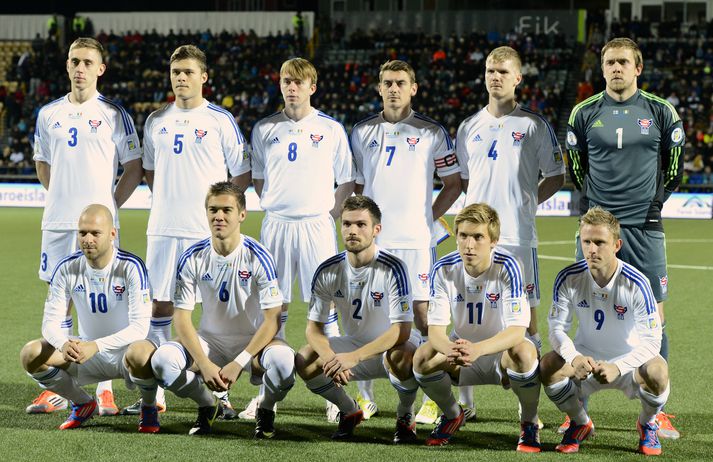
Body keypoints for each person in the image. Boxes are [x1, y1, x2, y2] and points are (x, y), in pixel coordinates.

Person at [565, 37, 683, 439]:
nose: (616, 68)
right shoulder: (584, 113)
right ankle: (577, 407)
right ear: (602, 69)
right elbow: (577, 169)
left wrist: (653, 204)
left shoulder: (660, 111)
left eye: (623, 62)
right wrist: (597, 211)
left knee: (657, 319)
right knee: (584, 311)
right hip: (598, 229)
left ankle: (656, 410)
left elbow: (673, 167)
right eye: (609, 62)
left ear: (638, 68)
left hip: (644, 227)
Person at [30, 37, 144, 417]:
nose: (80, 68)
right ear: (67, 65)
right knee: (58, 301)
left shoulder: (114, 113)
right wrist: (61, 197)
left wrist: (108, 209)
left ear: (100, 69)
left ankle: (106, 387)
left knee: (103, 300)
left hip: (99, 227)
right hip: (59, 224)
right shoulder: (48, 113)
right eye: (74, 61)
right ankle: (62, 386)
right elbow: (42, 163)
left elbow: (133, 167)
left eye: (87, 62)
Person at [135, 44, 251, 417]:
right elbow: (150, 171)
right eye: (175, 72)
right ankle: (155, 394)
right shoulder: (156, 120)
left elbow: (242, 172)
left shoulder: (220, 119)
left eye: (188, 72)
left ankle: (221, 393)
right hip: (164, 228)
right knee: (161, 306)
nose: (181, 78)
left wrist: (225, 213)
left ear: (204, 77)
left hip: (207, 233)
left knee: (214, 312)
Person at [456, 47, 564, 419]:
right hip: (474, 240)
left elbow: (555, 175)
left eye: (502, 71)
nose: (495, 77)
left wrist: (526, 204)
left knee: (527, 324)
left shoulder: (534, 125)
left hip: (517, 238)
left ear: (518, 78)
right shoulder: (468, 126)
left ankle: (527, 410)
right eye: (489, 70)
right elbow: (468, 181)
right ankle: (464, 405)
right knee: (467, 317)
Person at [350, 59, 461, 423]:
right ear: (379, 88)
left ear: (413, 88)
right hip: (374, 243)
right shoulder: (361, 131)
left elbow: (454, 182)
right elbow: (356, 187)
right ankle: (364, 397)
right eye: (387, 82)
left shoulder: (432, 132)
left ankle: (433, 391)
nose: (393, 88)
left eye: (400, 82)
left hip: (415, 242)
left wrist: (427, 218)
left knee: (424, 317)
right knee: (368, 315)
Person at [248, 57, 354, 422]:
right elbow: (259, 179)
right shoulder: (264, 128)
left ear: (312, 86)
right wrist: (278, 204)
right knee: (273, 310)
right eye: (286, 81)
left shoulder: (331, 129)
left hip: (316, 226)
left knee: (326, 310)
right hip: (276, 224)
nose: (291, 87)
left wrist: (328, 215)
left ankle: (334, 395)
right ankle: (266, 396)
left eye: (298, 82)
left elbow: (346, 182)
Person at [144, 182, 295, 437]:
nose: (219, 216)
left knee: (284, 362)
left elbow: (272, 320)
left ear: (242, 215)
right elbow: (181, 318)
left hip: (250, 343)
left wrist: (239, 362)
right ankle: (207, 404)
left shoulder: (259, 256)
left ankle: (265, 408)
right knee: (162, 361)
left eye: (227, 210)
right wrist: (203, 363)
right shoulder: (192, 256)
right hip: (209, 341)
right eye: (213, 210)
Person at [541, 206, 670, 455]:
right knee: (548, 366)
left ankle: (648, 424)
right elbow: (556, 329)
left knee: (658, 371)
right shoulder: (568, 278)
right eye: (586, 241)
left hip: (629, 363)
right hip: (585, 361)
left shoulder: (637, 282)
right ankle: (580, 422)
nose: (591, 249)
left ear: (616, 245)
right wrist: (574, 357)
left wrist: (618, 367)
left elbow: (654, 341)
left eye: (599, 242)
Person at [412, 203, 541, 451]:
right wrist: (450, 350)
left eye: (478, 237)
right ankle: (452, 414)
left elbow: (516, 330)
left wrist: (478, 349)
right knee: (422, 358)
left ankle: (529, 423)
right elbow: (436, 331)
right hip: (462, 352)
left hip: (500, 354)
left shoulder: (509, 266)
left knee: (525, 352)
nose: (469, 245)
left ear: (493, 240)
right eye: (463, 236)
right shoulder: (443, 269)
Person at [295, 195, 419, 443]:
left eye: (361, 224)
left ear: (376, 230)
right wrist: (331, 358)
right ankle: (349, 410)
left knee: (402, 354)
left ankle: (405, 414)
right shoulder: (328, 269)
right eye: (347, 224)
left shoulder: (394, 267)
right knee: (305, 358)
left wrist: (354, 357)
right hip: (352, 346)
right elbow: (313, 329)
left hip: (389, 349)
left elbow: (402, 331)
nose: (353, 230)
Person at [20, 205, 154, 432]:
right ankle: (82, 403)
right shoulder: (66, 267)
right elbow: (50, 321)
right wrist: (64, 344)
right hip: (84, 353)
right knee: (30, 354)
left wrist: (96, 345)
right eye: (82, 233)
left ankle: (149, 409)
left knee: (142, 351)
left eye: (95, 233)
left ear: (112, 234)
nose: (88, 239)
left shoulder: (131, 266)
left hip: (125, 354)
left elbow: (140, 328)